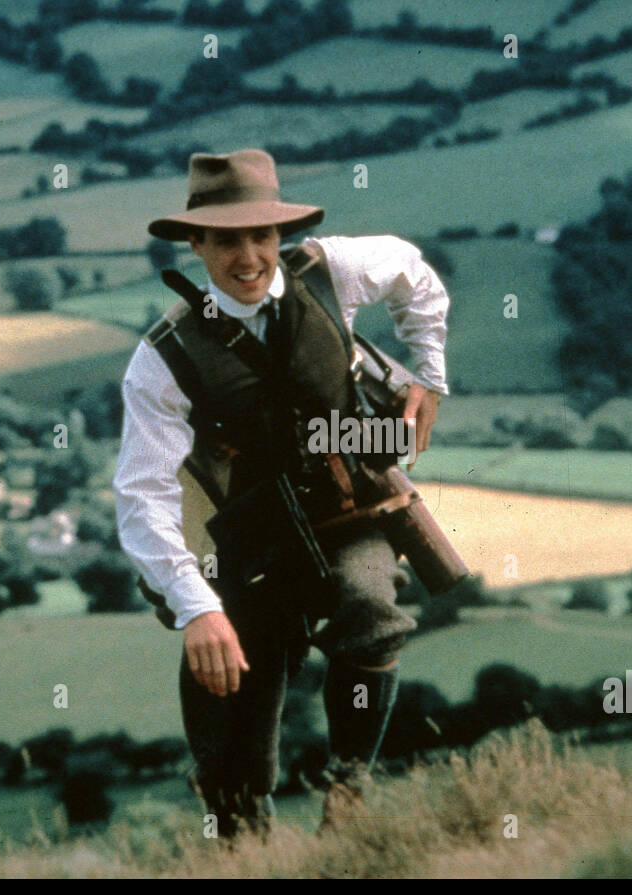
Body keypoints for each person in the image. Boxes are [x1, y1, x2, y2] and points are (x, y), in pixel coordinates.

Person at [112, 148, 449, 837]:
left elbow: (416, 275)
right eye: (227, 239)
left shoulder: (333, 272)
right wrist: (198, 608)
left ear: (281, 235)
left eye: (261, 235)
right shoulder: (161, 359)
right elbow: (142, 497)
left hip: (346, 509)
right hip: (243, 540)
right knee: (230, 705)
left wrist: (430, 375)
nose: (247, 256)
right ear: (195, 243)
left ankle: (348, 789)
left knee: (369, 606)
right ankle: (244, 837)